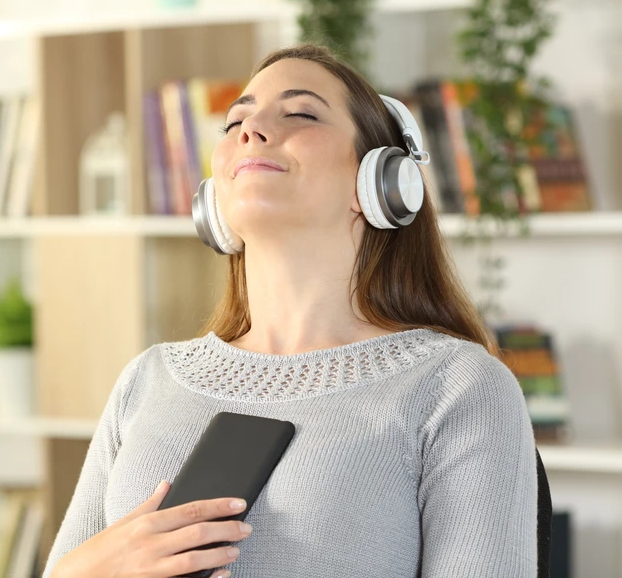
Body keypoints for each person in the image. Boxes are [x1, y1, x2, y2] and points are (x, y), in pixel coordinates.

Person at [42, 43, 537, 578]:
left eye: (300, 113)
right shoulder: (147, 380)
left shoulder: (456, 388)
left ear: (381, 182)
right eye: (235, 122)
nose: (251, 130)